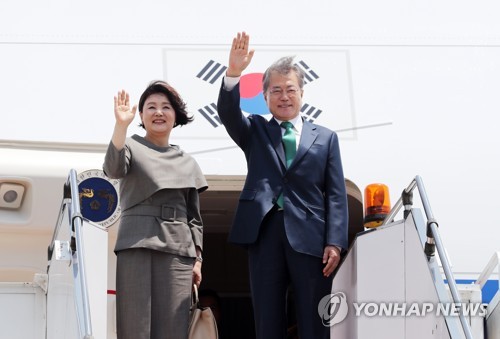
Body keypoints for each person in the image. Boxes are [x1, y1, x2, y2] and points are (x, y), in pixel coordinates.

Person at [217, 32, 349, 338]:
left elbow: (336, 195)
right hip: (265, 232)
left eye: (290, 89)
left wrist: (334, 241)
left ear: (302, 93)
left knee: (314, 317)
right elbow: (227, 113)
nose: (284, 96)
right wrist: (233, 73)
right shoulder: (255, 130)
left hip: (311, 236)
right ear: (264, 97)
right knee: (268, 317)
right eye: (276, 90)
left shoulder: (326, 138)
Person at [103, 80, 208, 339]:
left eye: (165, 107)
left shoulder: (188, 162)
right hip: (137, 243)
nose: (158, 112)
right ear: (141, 115)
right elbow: (113, 169)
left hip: (178, 249)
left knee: (173, 328)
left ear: (175, 116)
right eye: (151, 107)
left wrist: (198, 259)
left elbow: (194, 218)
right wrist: (120, 126)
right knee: (135, 326)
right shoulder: (130, 145)